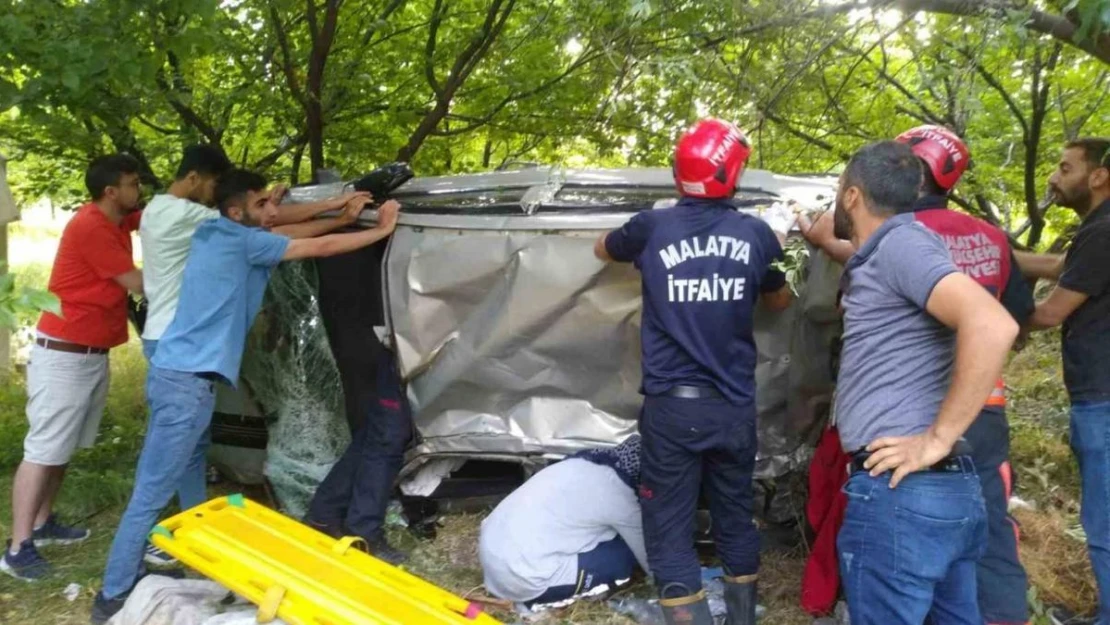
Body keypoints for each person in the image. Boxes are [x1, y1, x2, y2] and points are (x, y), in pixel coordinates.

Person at [91, 169, 400, 624]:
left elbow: (286, 232)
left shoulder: (218, 231)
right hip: (186, 386)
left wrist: (339, 216)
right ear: (238, 211)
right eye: (262, 204)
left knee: (155, 486)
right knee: (150, 493)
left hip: (180, 376)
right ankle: (113, 596)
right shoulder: (242, 241)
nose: (272, 210)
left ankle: (131, 574)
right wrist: (381, 229)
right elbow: (313, 246)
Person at [800, 125, 1034, 625]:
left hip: (903, 494)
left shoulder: (901, 244)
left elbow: (993, 323)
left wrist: (936, 438)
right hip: (935, 492)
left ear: (853, 195)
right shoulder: (894, 250)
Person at [594, 118, 794, 625]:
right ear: (732, 175)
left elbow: (603, 248)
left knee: (668, 526)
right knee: (733, 514)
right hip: (732, 409)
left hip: (673, 410)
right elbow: (779, 299)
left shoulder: (653, 227)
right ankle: (743, 618)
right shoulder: (755, 234)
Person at [136, 145, 373, 568]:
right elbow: (273, 229)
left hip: (171, 339)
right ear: (195, 179)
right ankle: (164, 538)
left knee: (191, 447)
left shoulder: (159, 210)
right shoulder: (190, 216)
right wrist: (338, 209)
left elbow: (265, 228)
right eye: (213, 185)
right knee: (172, 456)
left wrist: (276, 206)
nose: (213, 193)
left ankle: (193, 530)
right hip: (181, 345)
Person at [3, 154, 144, 581]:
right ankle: (16, 548)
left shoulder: (117, 218)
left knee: (62, 448)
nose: (139, 191)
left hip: (89, 353)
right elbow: (137, 284)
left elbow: (154, 215)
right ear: (110, 191)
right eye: (133, 184)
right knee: (44, 449)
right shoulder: (92, 226)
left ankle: (44, 524)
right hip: (64, 353)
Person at [1016, 137, 1110, 625]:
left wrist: (993, 321)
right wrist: (1001, 251)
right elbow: (1059, 268)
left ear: (1098, 176)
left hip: (1103, 397)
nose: (1054, 177)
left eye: (1065, 167)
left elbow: (1051, 313)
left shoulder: (1103, 230)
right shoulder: (1095, 232)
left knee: (1104, 520)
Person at [479, 435, 650, 611]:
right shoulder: (619, 495)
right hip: (524, 580)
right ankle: (540, 603)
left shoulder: (583, 463)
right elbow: (652, 558)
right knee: (623, 557)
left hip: (494, 564)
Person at [305, 342, 412, 565]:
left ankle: (324, 513)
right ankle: (363, 533)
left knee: (378, 432)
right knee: (388, 438)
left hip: (406, 349)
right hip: (406, 349)